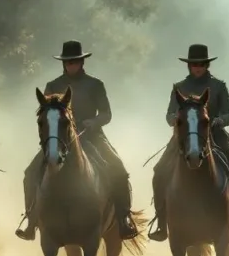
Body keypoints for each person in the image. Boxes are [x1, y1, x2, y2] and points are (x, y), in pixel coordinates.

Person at [15, 40, 138, 241]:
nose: (71, 64)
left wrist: (93, 122)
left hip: (92, 136)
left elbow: (106, 114)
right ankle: (31, 220)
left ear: (82, 62)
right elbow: (46, 115)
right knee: (30, 173)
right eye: (68, 61)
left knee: (118, 169)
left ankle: (123, 218)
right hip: (60, 139)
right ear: (63, 63)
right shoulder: (52, 86)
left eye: (75, 61)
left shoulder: (96, 84)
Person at [148, 44, 229, 241]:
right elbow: (169, 114)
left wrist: (219, 121)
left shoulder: (219, 86)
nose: (197, 67)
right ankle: (161, 222)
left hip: (215, 136)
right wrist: (175, 120)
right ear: (189, 66)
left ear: (207, 65)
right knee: (159, 170)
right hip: (183, 138)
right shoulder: (179, 87)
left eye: (201, 64)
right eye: (194, 64)